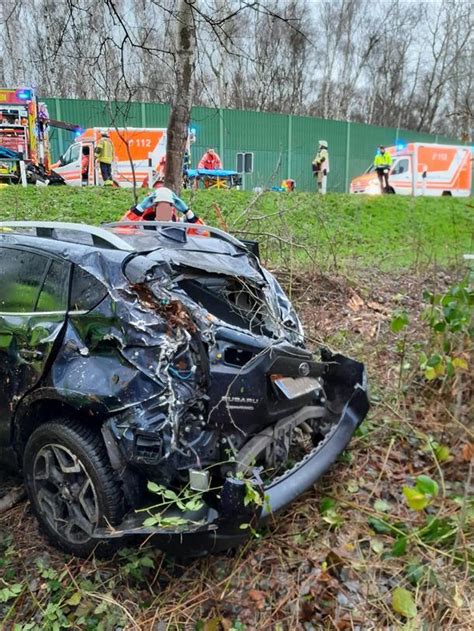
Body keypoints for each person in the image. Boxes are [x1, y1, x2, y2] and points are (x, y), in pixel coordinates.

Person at [121, 187, 206, 234]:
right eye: (160, 205)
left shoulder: (180, 225)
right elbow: (120, 231)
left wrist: (188, 212)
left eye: (167, 205)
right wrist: (139, 209)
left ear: (173, 207)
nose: (164, 209)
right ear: (154, 207)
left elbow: (203, 235)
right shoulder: (140, 225)